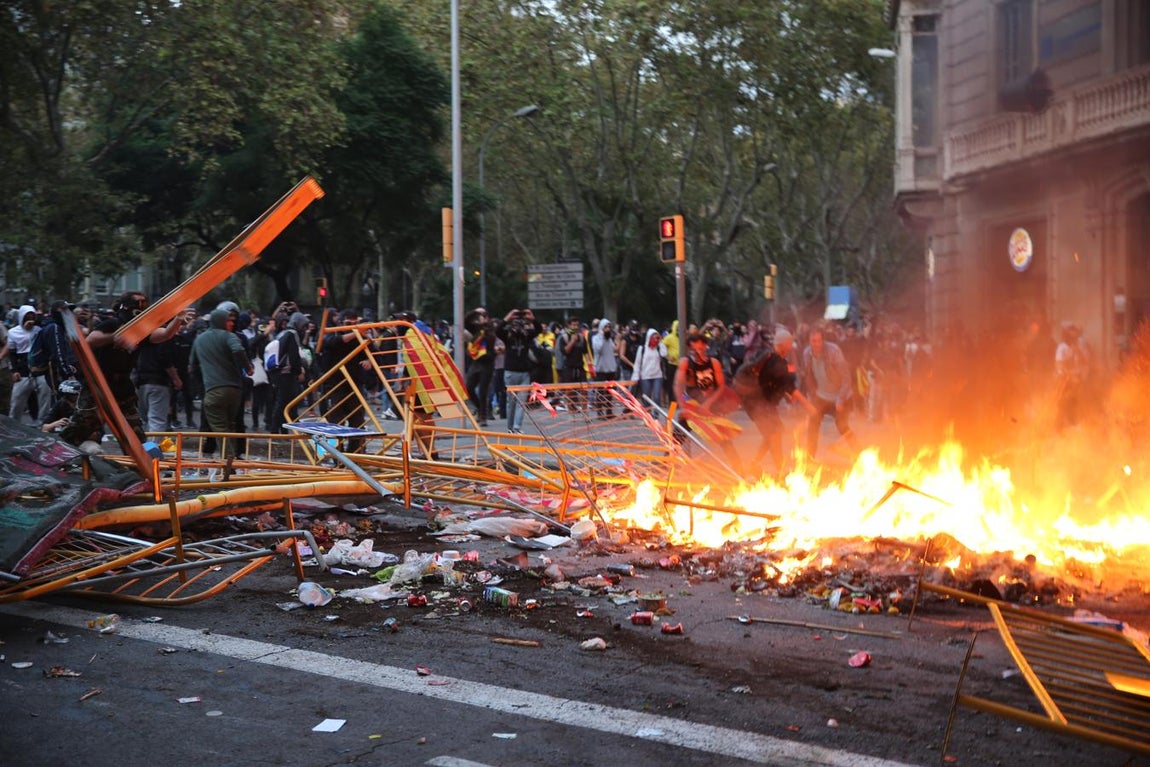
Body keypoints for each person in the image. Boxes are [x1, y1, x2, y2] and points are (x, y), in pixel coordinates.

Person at [60, 291, 185, 450]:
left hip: (122, 388)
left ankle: (141, 469)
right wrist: (115, 337)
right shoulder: (112, 323)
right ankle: (55, 457)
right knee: (80, 427)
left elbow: (165, 334)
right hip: (99, 386)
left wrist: (178, 318)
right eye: (138, 303)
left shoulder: (142, 329)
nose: (142, 307)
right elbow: (90, 341)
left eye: (144, 303)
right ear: (126, 306)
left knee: (135, 433)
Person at [736, 328, 815, 478]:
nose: (791, 347)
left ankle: (755, 463)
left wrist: (785, 395)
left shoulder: (766, 353)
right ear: (784, 344)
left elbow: (772, 381)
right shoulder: (777, 361)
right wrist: (809, 405)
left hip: (755, 401)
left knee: (773, 432)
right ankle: (780, 469)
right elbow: (789, 387)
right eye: (790, 344)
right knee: (775, 434)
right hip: (758, 403)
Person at [189, 307, 252, 464]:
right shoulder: (229, 336)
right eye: (228, 320)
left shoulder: (199, 339)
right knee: (229, 426)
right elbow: (238, 350)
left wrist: (201, 388)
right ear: (221, 321)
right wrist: (248, 368)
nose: (231, 323)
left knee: (220, 429)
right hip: (234, 390)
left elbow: (192, 366)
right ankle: (232, 461)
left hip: (213, 390)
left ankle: (228, 463)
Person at [799, 325, 858, 459]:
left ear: (823, 340)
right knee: (813, 425)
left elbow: (846, 377)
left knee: (842, 426)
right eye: (813, 341)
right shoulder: (806, 353)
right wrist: (812, 395)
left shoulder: (833, 351)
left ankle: (859, 455)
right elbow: (808, 375)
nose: (816, 344)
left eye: (819, 340)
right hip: (821, 396)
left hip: (841, 396)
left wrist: (840, 399)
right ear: (809, 341)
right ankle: (810, 458)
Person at [498, 307, 541, 434]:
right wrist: (508, 317)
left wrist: (532, 318)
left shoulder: (526, 337)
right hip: (510, 372)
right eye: (515, 324)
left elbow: (537, 330)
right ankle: (510, 427)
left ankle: (517, 427)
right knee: (511, 401)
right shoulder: (507, 337)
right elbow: (498, 330)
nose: (518, 327)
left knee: (521, 403)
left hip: (524, 373)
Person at [8, 305, 52, 424]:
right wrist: (14, 370)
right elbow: (12, 354)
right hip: (23, 371)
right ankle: (13, 423)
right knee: (17, 400)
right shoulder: (13, 332)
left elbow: (47, 321)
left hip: (40, 369)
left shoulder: (39, 330)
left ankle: (42, 423)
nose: (30, 319)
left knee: (45, 397)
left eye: (32, 316)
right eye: (27, 317)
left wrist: (36, 321)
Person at [268, 311, 310, 435]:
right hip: (287, 373)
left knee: (282, 401)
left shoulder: (283, 333)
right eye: (304, 325)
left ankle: (281, 429)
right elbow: (293, 356)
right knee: (284, 402)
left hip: (278, 373)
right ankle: (276, 430)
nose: (305, 329)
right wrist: (299, 371)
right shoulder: (293, 334)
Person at [462, 307, 496, 426]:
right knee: (468, 388)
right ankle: (480, 409)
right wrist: (475, 312)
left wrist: (484, 322)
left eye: (483, 315)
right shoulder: (474, 329)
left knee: (483, 391)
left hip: (487, 363)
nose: (480, 317)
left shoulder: (490, 328)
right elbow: (465, 321)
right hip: (476, 362)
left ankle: (483, 416)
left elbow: (490, 337)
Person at [1054, 321, 1086, 431]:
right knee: (1063, 404)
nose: (1074, 335)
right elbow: (1060, 364)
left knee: (1073, 402)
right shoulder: (1062, 348)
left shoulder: (1075, 347)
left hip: (1075, 380)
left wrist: (1077, 350)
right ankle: (1060, 428)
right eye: (1071, 332)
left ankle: (1072, 424)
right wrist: (1068, 376)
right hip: (1065, 381)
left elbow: (1083, 361)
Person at [591, 318, 621, 419]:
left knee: (610, 392)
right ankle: (600, 413)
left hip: (610, 369)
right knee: (600, 391)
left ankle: (609, 411)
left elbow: (615, 349)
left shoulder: (609, 339)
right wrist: (603, 336)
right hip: (600, 369)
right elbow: (598, 349)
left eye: (609, 327)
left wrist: (618, 340)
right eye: (606, 327)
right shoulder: (596, 338)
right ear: (601, 328)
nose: (608, 329)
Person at [630, 327, 667, 405]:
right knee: (647, 398)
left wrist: (660, 342)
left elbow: (664, 354)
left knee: (657, 397)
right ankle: (648, 415)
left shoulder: (658, 348)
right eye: (654, 338)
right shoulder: (642, 349)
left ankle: (655, 415)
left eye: (657, 338)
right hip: (645, 376)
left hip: (657, 375)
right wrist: (635, 376)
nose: (656, 340)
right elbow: (637, 363)